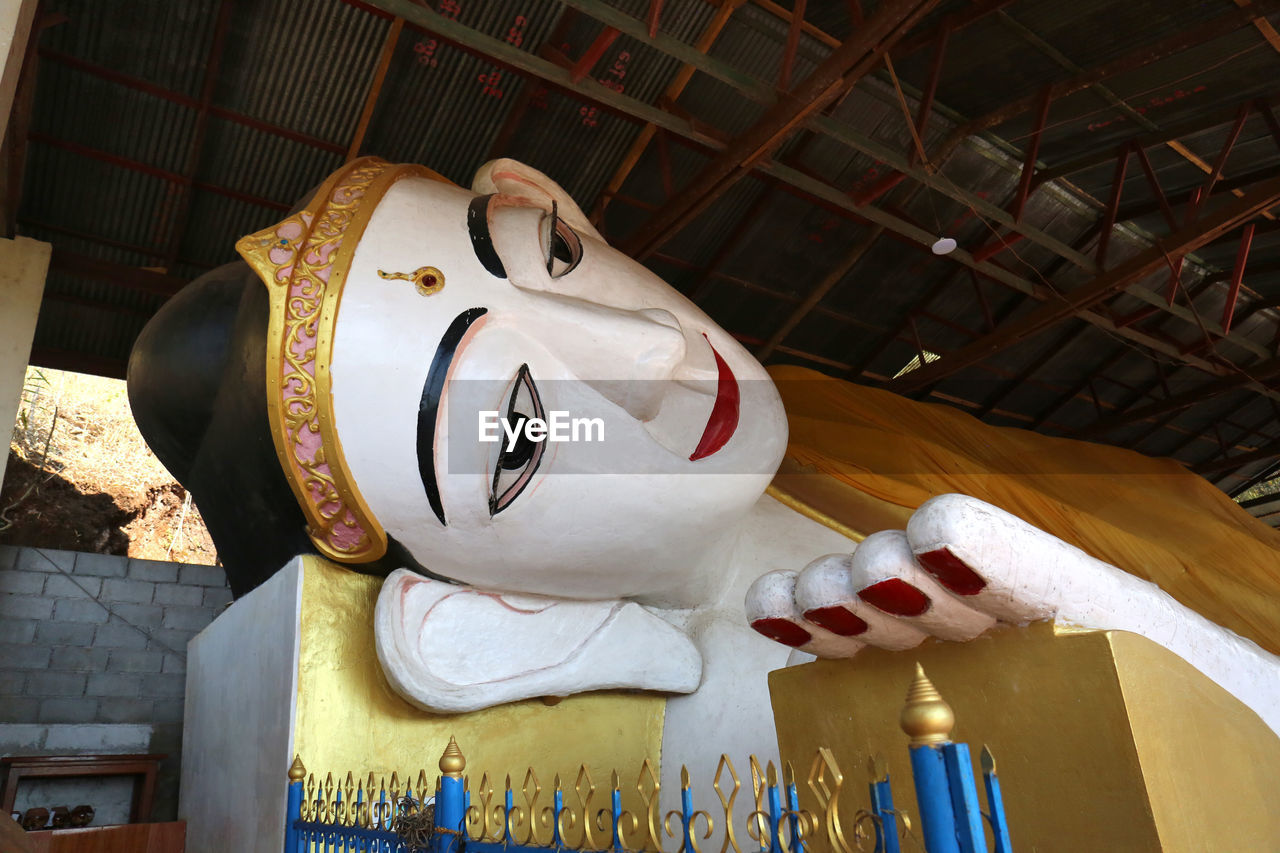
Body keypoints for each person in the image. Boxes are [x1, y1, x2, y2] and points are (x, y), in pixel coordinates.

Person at [128, 157, 1279, 744]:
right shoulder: (756, 683)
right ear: (491, 620)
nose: (654, 353)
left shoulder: (849, 425)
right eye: (521, 429)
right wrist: (1140, 667)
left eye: (556, 257)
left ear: (547, 200)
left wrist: (1145, 618)